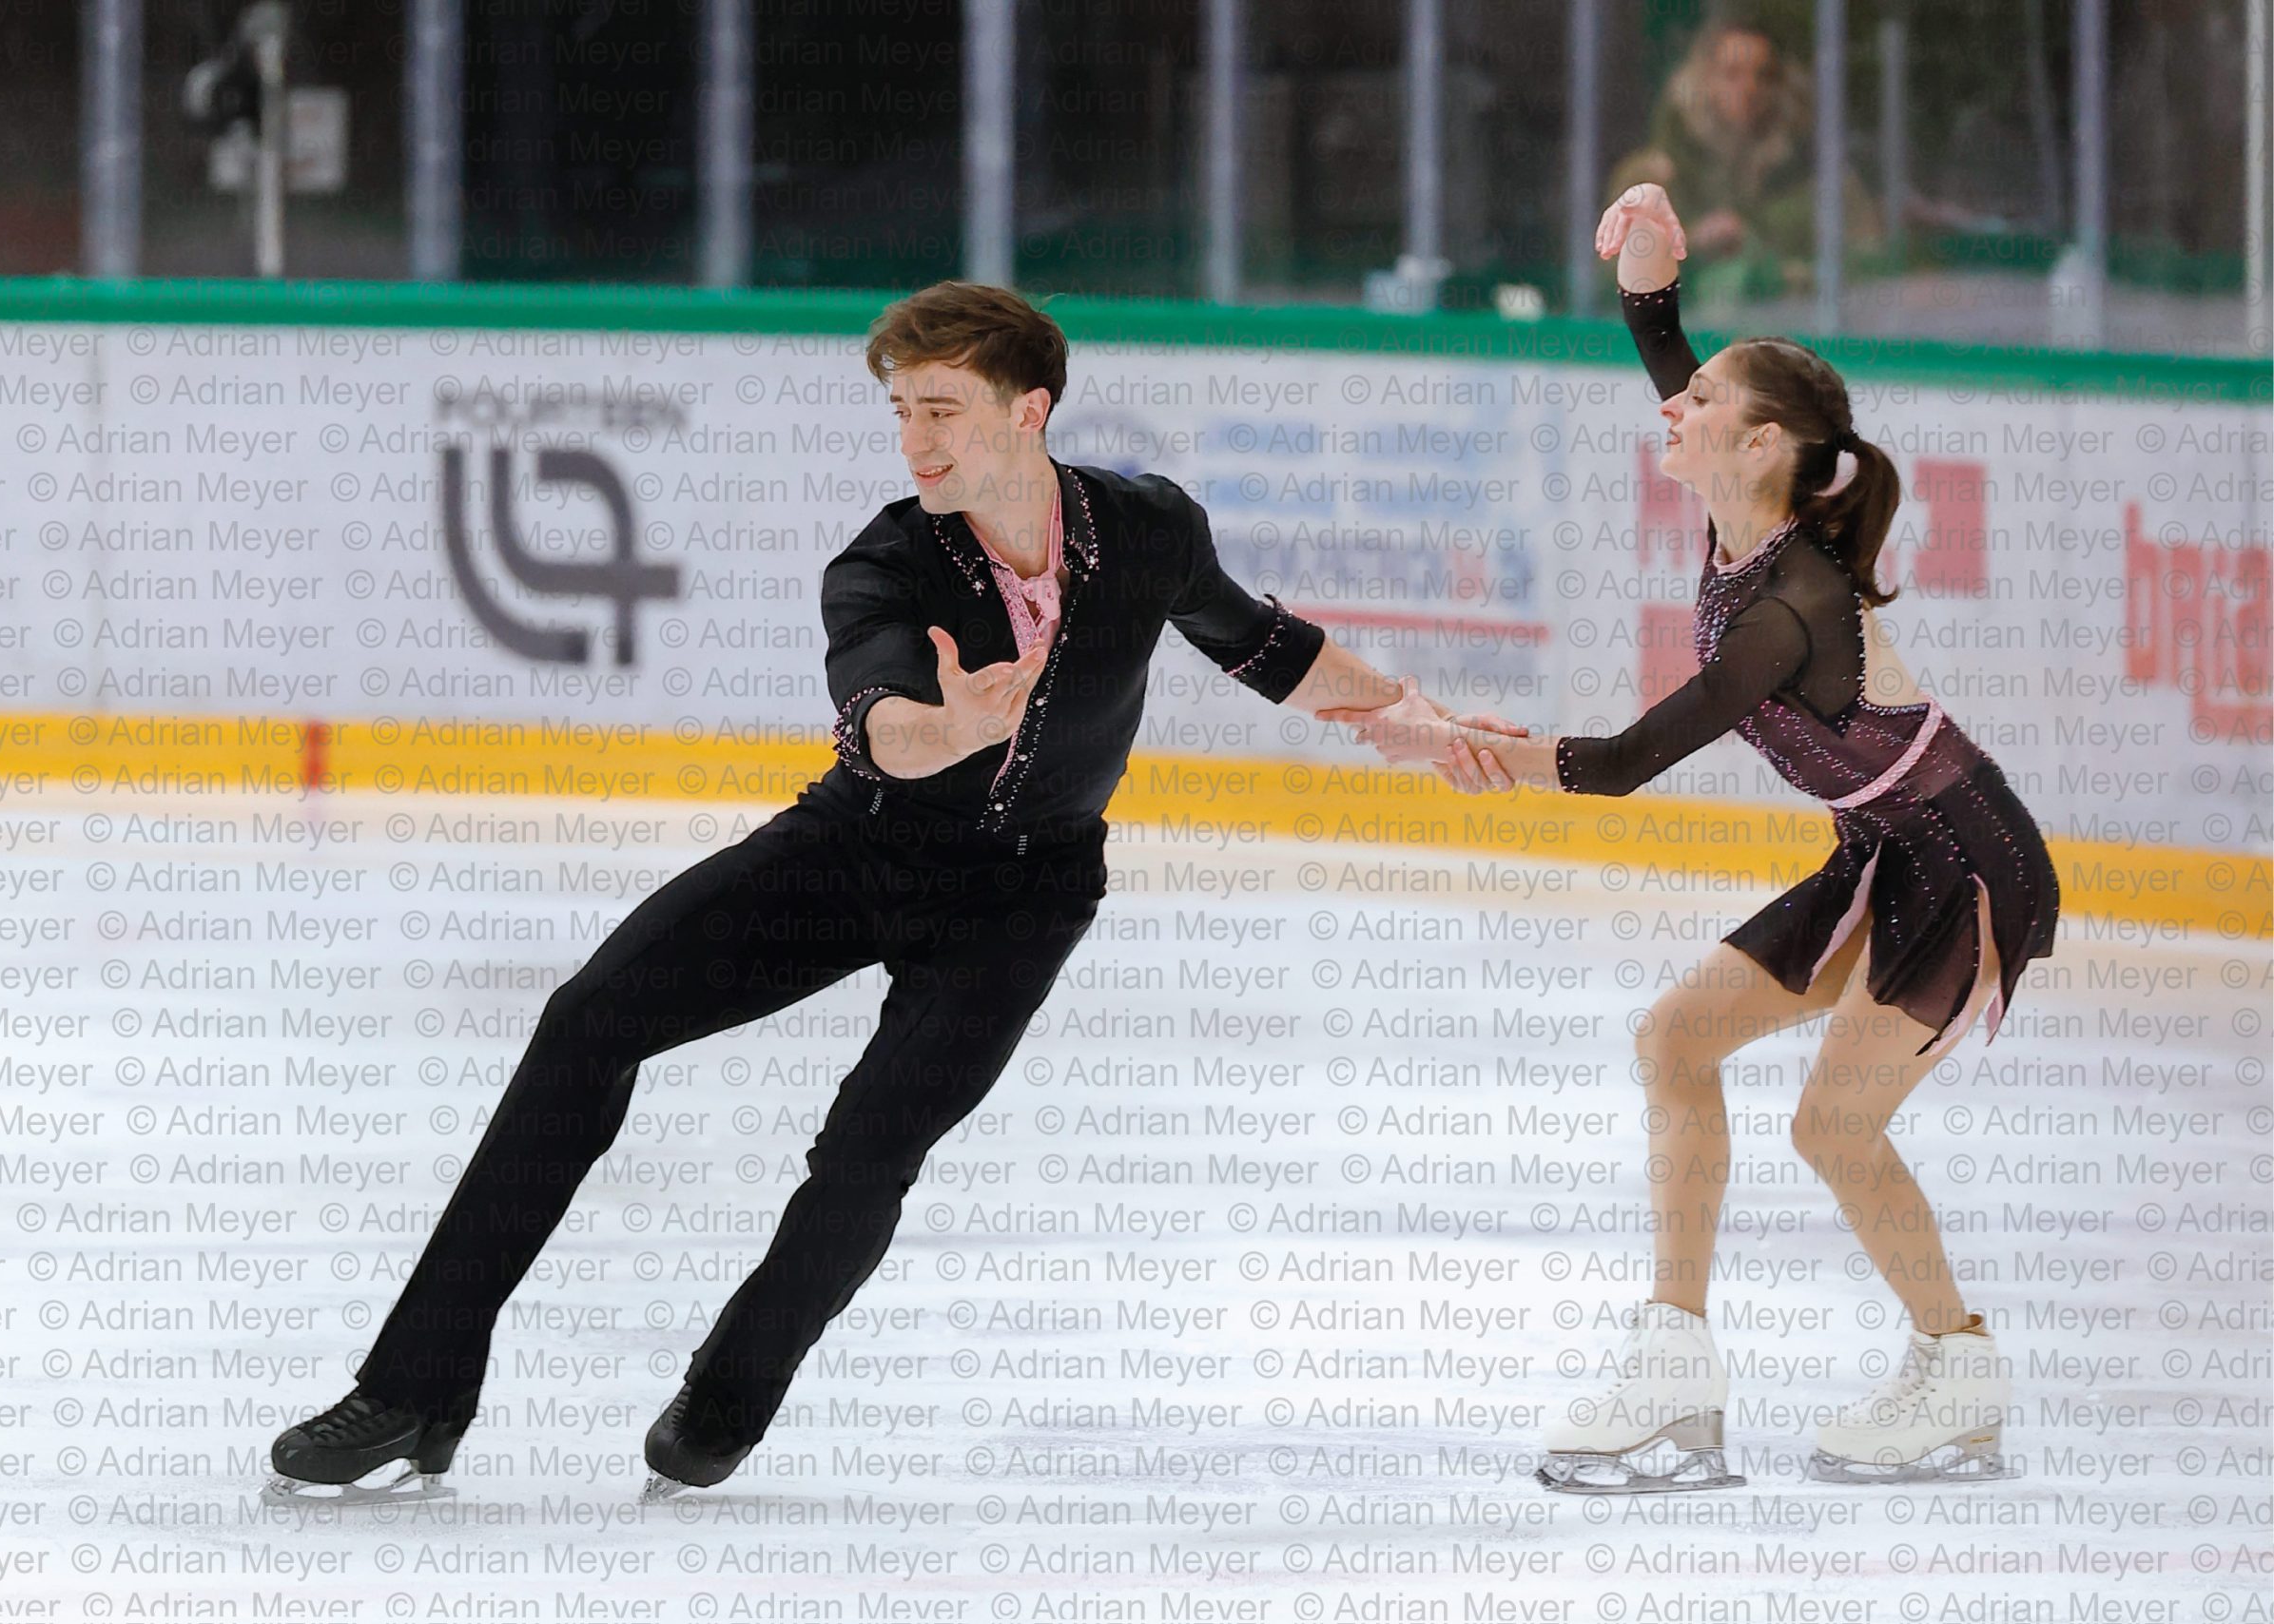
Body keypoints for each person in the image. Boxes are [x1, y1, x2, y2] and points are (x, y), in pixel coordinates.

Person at [267, 280, 1512, 1505]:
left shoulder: (1146, 531)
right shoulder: (886, 560)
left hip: (1022, 903)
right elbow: (875, 726)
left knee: (869, 1151)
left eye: (942, 411)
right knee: (586, 1021)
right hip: (856, 850)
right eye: (901, 413)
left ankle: (725, 1401)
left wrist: (1417, 722)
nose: (915, 441)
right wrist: (950, 724)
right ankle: (415, 1387)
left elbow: (1261, 643)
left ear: (1030, 411)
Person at [1338, 184, 2058, 1492]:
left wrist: (1474, 751)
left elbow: (1621, 765)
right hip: (1883, 847)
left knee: (1834, 1131)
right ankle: (1676, 1363)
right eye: (1690, 390)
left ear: (1765, 441)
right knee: (1676, 1041)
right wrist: (1651, 286)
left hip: (1966, 863)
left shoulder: (1791, 601)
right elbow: (1678, 374)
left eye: (1708, 400)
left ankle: (1959, 1369)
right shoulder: (1742, 506)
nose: (1676, 405)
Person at [1605, 5, 1881, 309]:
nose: (1748, 89)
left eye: (1763, 76)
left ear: (1783, 85)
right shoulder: (1652, 177)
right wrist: (1688, 245)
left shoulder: (1822, 182)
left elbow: (1871, 270)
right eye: (1731, 74)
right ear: (1701, 82)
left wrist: (1778, 274)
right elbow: (1603, 285)